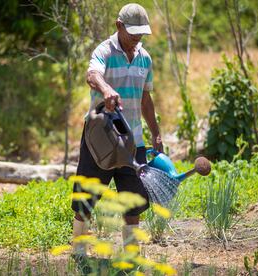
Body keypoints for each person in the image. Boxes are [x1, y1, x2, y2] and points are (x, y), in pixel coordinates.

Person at [71, 3, 163, 257]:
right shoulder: (104, 51)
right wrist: (106, 89)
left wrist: (155, 132)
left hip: (133, 141)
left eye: (141, 34)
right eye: (132, 33)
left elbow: (146, 99)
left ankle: (131, 257)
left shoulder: (145, 58)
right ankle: (79, 253)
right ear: (118, 26)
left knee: (133, 203)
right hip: (100, 138)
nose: (137, 38)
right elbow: (92, 75)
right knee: (86, 199)